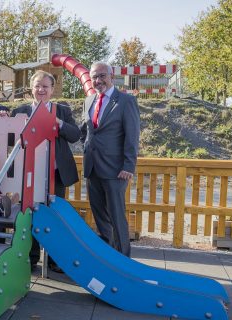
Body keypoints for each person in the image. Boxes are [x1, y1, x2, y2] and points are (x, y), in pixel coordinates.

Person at [11, 70, 80, 272]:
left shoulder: (62, 110)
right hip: (29, 172)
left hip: (55, 174)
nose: (41, 90)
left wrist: (60, 124)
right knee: (29, 215)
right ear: (31, 88)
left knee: (55, 216)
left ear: (52, 89)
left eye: (45, 86)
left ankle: (54, 259)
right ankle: (31, 258)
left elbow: (75, 135)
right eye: (37, 86)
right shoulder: (20, 111)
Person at [80, 62, 140, 257]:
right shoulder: (88, 101)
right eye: (94, 77)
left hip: (116, 170)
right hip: (93, 169)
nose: (98, 81)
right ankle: (108, 256)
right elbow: (86, 132)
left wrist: (128, 166)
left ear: (111, 76)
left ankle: (124, 260)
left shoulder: (125, 101)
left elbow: (132, 136)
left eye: (102, 76)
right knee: (100, 217)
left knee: (116, 217)